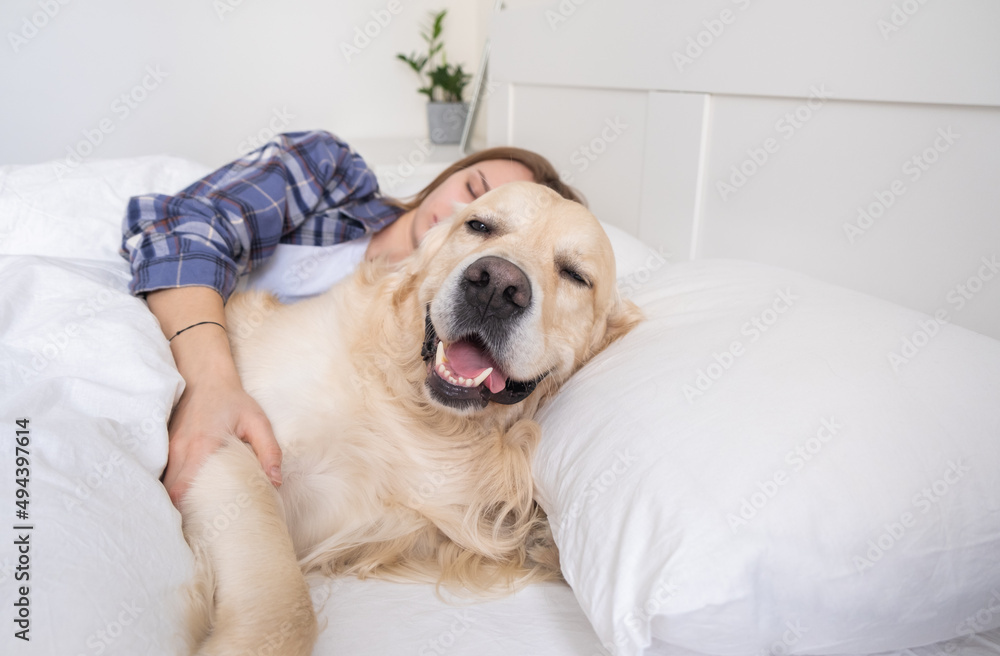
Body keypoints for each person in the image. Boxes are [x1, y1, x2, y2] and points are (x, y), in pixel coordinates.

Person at [120, 130, 582, 507]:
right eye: (477, 203)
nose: (463, 215)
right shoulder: (330, 169)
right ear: (446, 175)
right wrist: (210, 383)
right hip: (162, 337)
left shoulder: (408, 345)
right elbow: (180, 225)